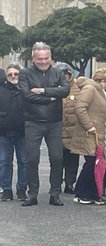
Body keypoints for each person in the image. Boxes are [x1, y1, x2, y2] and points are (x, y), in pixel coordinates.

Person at [18, 43, 70, 207]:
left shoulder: (58, 72)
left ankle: (54, 193)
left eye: (46, 58)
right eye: (39, 59)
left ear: (50, 56)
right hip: (33, 122)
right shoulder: (25, 73)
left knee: (57, 158)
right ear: (33, 58)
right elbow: (26, 95)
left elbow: (66, 91)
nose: (43, 61)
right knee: (32, 159)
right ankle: (32, 194)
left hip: (54, 122)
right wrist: (51, 98)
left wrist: (43, 91)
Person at [68, 71, 106, 205]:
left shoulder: (97, 91)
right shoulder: (90, 89)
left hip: (96, 133)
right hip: (90, 133)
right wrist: (89, 125)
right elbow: (80, 106)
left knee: (94, 163)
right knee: (91, 163)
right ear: (102, 81)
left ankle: (91, 193)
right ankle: (81, 192)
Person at [0, 63, 27, 202]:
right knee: (4, 162)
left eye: (16, 74)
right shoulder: (1, 89)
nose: (13, 76)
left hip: (23, 132)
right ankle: (6, 190)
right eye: (10, 74)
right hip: (3, 132)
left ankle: (22, 189)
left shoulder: (25, 89)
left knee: (24, 162)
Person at [59, 64, 81, 195]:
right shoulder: (55, 86)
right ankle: (56, 184)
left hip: (74, 130)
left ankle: (69, 183)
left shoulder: (77, 87)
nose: (64, 77)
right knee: (57, 160)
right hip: (58, 129)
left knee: (72, 160)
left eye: (66, 74)